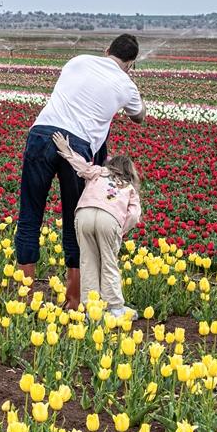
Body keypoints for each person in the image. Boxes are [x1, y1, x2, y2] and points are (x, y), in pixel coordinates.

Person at [14, 34, 146, 307]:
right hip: (77, 146)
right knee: (75, 220)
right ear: (131, 63)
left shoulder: (78, 60)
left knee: (29, 217)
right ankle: (73, 298)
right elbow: (139, 116)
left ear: (107, 50)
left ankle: (24, 297)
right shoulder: (126, 84)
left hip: (41, 134)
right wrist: (131, 85)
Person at [52, 132, 142, 318]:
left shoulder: (98, 172)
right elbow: (134, 215)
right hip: (109, 219)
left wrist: (67, 150)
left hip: (84, 214)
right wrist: (120, 229)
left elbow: (81, 166)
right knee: (108, 262)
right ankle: (114, 307)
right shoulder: (128, 187)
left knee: (87, 261)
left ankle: (91, 308)